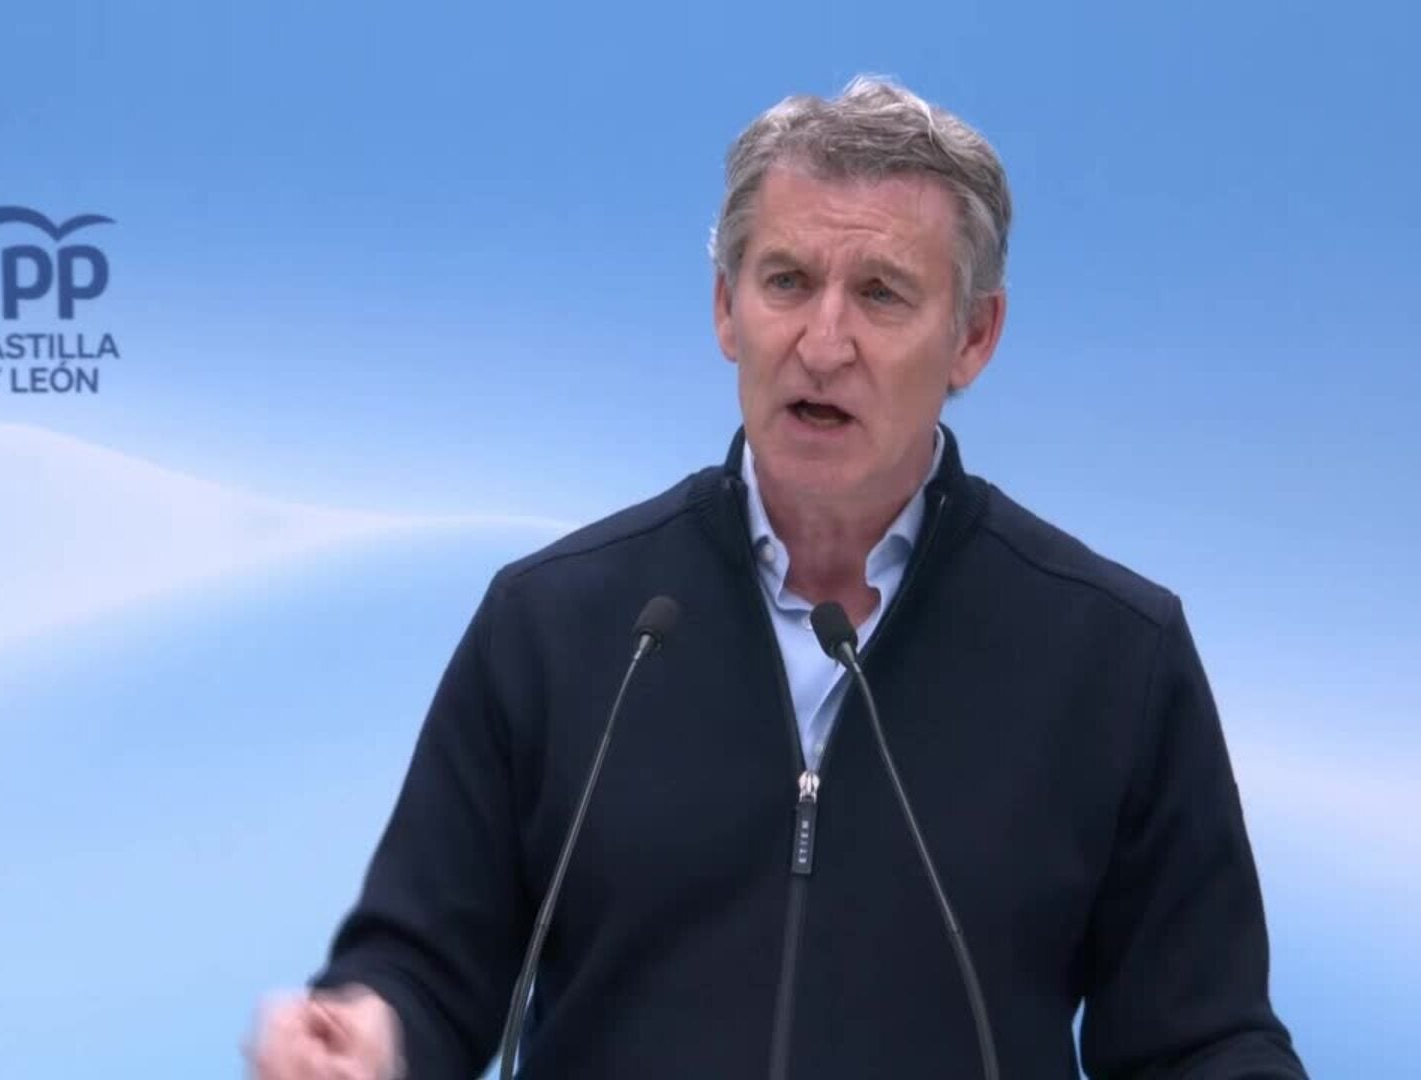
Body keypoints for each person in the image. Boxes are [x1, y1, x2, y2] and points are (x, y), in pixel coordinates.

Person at [248, 76, 1306, 1080]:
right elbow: (425, 966)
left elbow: (1199, 1040)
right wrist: (370, 1035)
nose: (823, 341)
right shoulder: (558, 625)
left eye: (881, 293)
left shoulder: (1110, 656)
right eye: (787, 282)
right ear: (726, 308)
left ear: (974, 336)